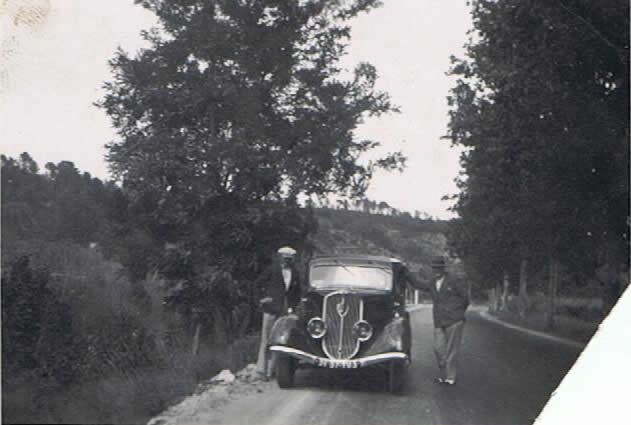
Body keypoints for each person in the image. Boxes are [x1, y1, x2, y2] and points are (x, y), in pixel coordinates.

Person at [255, 246, 302, 380]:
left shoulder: (295, 273)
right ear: (280, 258)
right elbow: (258, 284)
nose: (287, 261)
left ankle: (272, 371)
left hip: (285, 311)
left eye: (289, 259)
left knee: (280, 341)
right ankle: (261, 371)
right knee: (266, 339)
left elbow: (297, 292)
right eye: (285, 258)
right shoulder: (272, 270)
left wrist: (293, 308)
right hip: (271, 309)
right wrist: (262, 299)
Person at [427, 256, 469, 385]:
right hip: (439, 321)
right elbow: (419, 284)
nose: (436, 271)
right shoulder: (432, 281)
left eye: (439, 268)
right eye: (434, 268)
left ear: (443, 269)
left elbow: (465, 298)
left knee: (451, 351)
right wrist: (406, 274)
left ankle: (449, 377)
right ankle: (443, 374)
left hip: (454, 320)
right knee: (438, 348)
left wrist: (457, 312)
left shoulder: (454, 280)